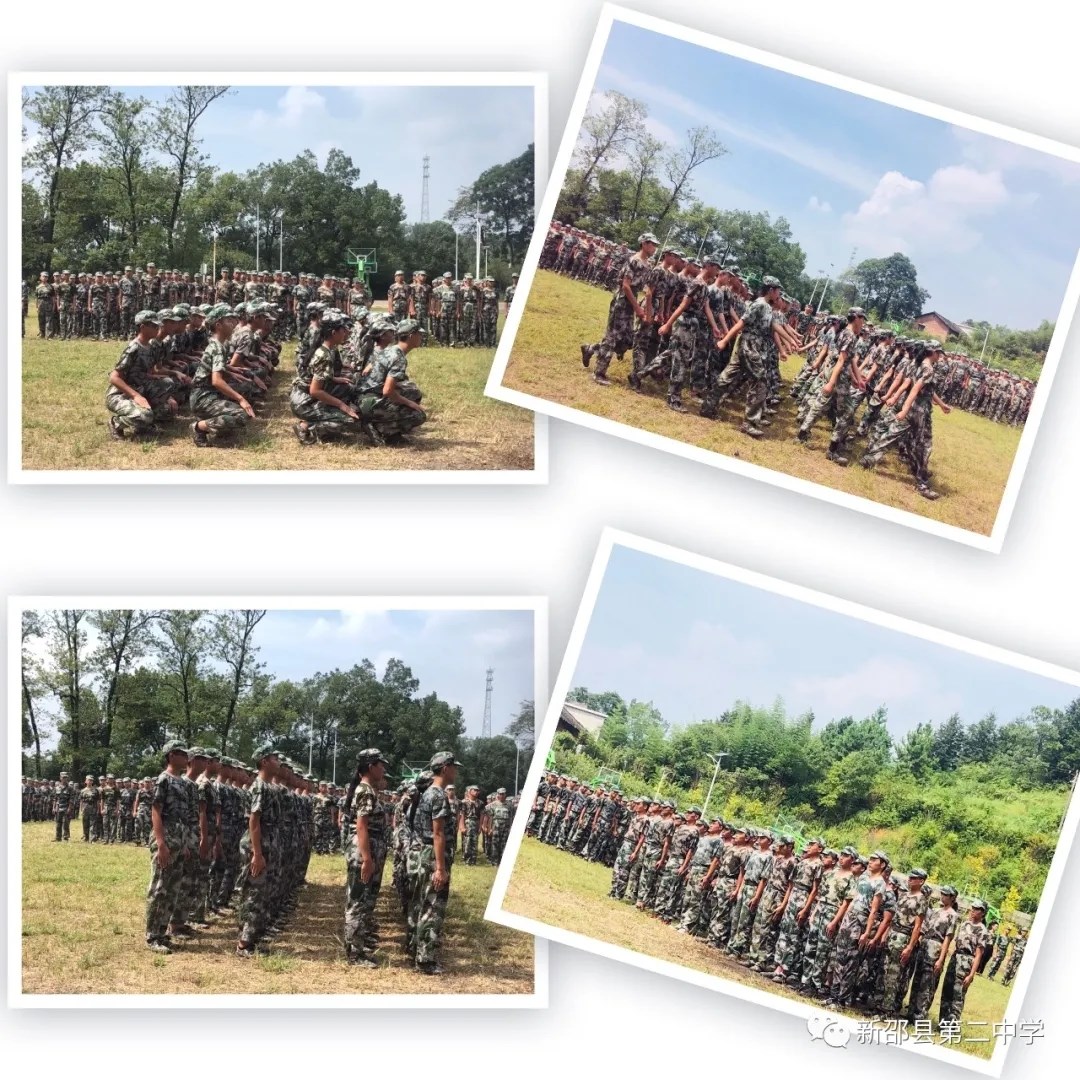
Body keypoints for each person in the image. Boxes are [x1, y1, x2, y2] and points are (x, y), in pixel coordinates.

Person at [406, 751, 461, 974]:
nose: (456, 771)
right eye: (454, 767)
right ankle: (425, 960)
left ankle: (414, 949)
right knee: (432, 907)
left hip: (423, 853)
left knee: (420, 904)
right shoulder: (438, 795)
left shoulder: (428, 793)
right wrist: (440, 868)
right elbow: (438, 834)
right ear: (445, 768)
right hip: (432, 856)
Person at [343, 748, 390, 966]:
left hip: (370, 850)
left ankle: (359, 946)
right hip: (363, 852)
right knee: (358, 901)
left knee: (364, 900)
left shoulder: (368, 790)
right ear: (371, 767)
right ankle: (354, 953)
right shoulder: (365, 791)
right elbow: (361, 826)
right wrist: (367, 859)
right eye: (381, 765)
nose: (384, 770)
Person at [145, 741, 192, 955]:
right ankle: (152, 935)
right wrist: (161, 843)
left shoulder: (182, 782)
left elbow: (183, 816)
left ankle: (162, 932)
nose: (186, 758)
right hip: (165, 838)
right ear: (172, 756)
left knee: (172, 889)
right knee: (160, 888)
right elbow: (156, 810)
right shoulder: (164, 779)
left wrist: (185, 844)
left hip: (179, 840)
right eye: (182, 754)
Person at [189, 305, 255, 447]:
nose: (233, 323)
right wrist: (241, 399)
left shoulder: (220, 344)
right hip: (203, 397)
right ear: (218, 325)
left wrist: (233, 374)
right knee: (241, 415)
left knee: (244, 388)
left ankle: (217, 423)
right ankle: (199, 427)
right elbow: (217, 381)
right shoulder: (217, 347)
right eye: (229, 320)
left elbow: (217, 370)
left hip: (208, 394)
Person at [357, 319, 428, 443]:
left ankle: (383, 425)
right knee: (418, 415)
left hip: (362, 396)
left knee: (413, 392)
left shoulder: (391, 349)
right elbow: (387, 391)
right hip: (369, 402)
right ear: (411, 336)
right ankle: (382, 428)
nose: (421, 337)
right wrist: (410, 403)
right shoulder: (398, 357)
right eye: (419, 334)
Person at [938, 898, 991, 1026]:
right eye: (973, 908)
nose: (973, 911)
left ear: (983, 913)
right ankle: (942, 1023)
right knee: (947, 991)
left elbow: (978, 955)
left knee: (958, 995)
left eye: (977, 909)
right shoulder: (964, 924)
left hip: (967, 961)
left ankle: (951, 1026)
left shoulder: (982, 930)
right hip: (955, 958)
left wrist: (971, 975)